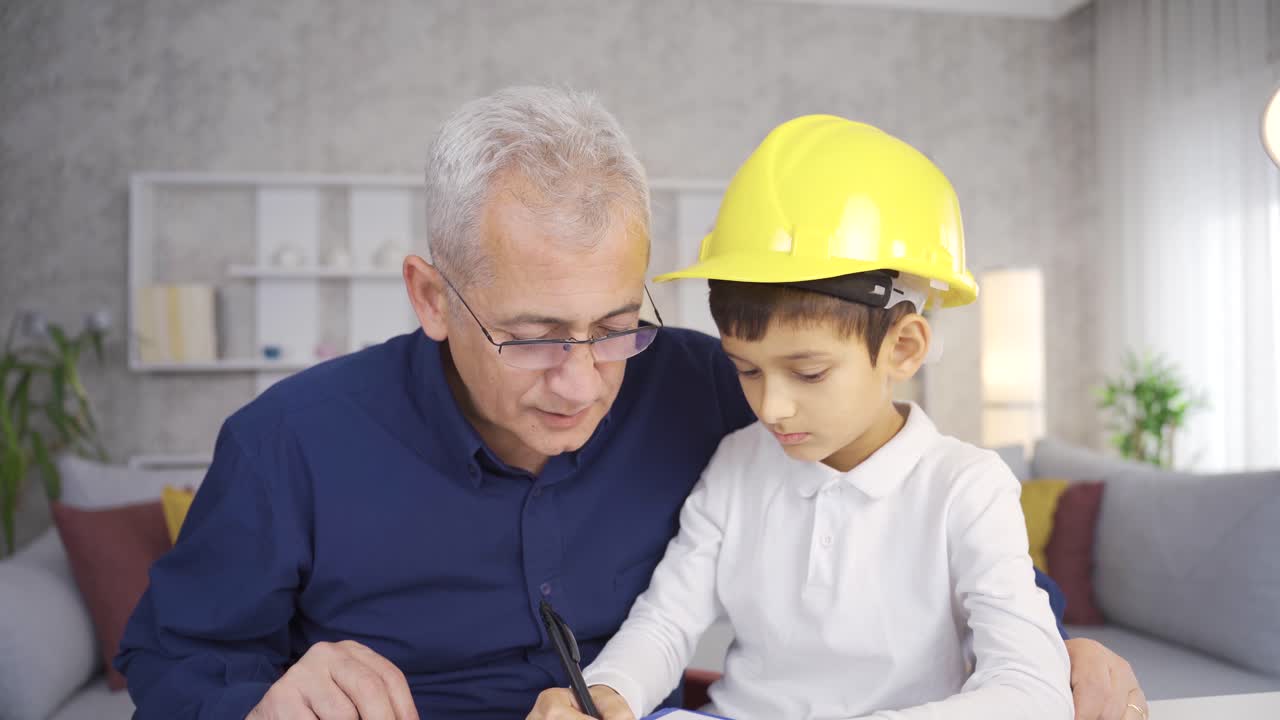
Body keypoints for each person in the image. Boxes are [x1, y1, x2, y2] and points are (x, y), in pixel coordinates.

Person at [117, 87, 1147, 720]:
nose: (582, 380)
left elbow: (897, 508)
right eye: (529, 336)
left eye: (615, 323)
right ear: (432, 296)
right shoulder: (287, 445)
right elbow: (169, 660)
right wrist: (257, 703)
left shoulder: (710, 385)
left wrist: (1056, 646)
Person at [530, 115, 1088, 720]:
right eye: (746, 369)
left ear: (903, 348)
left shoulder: (966, 487)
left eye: (810, 373)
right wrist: (610, 693)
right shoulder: (738, 463)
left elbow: (1030, 690)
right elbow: (665, 621)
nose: (771, 407)